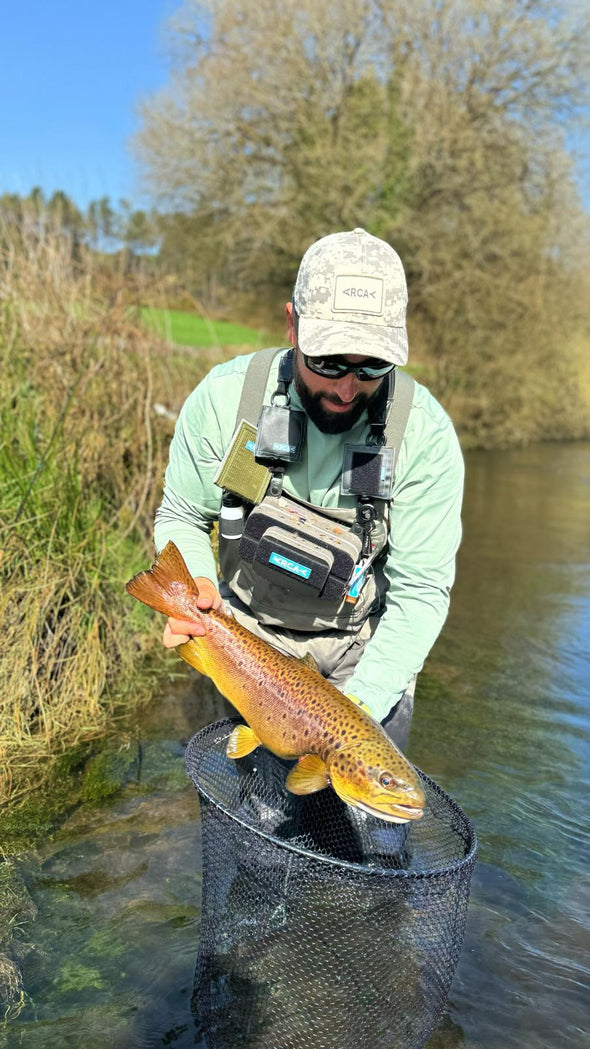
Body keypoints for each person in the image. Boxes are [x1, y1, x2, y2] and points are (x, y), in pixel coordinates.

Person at [153, 228, 464, 751]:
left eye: (372, 366)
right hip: (246, 645)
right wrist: (197, 595)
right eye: (328, 361)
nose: (347, 388)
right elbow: (183, 515)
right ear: (292, 325)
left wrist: (345, 723)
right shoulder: (230, 402)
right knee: (259, 814)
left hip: (364, 660)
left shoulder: (424, 437)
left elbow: (420, 594)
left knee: (371, 819)